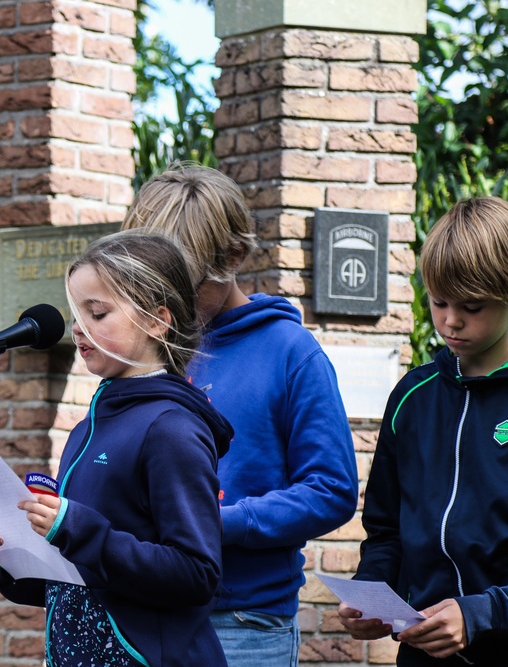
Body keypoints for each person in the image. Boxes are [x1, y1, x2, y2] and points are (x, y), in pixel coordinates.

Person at [338, 196, 508, 666]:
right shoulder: (411, 399)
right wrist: (371, 592)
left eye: (471, 306)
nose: (450, 320)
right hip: (422, 654)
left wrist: (482, 613)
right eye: (439, 302)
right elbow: (386, 532)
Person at [121, 163, 359, 666]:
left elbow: (332, 490)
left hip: (242, 625)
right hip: (141, 616)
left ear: (231, 257)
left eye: (182, 285)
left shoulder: (291, 351)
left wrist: (211, 523)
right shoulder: (151, 350)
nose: (169, 304)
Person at [0, 230, 234, 667]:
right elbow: (85, 581)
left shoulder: (171, 429)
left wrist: (78, 529)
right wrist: (6, 560)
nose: (78, 329)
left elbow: (196, 574)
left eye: (98, 313)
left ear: (156, 319)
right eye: (76, 315)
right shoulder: (86, 428)